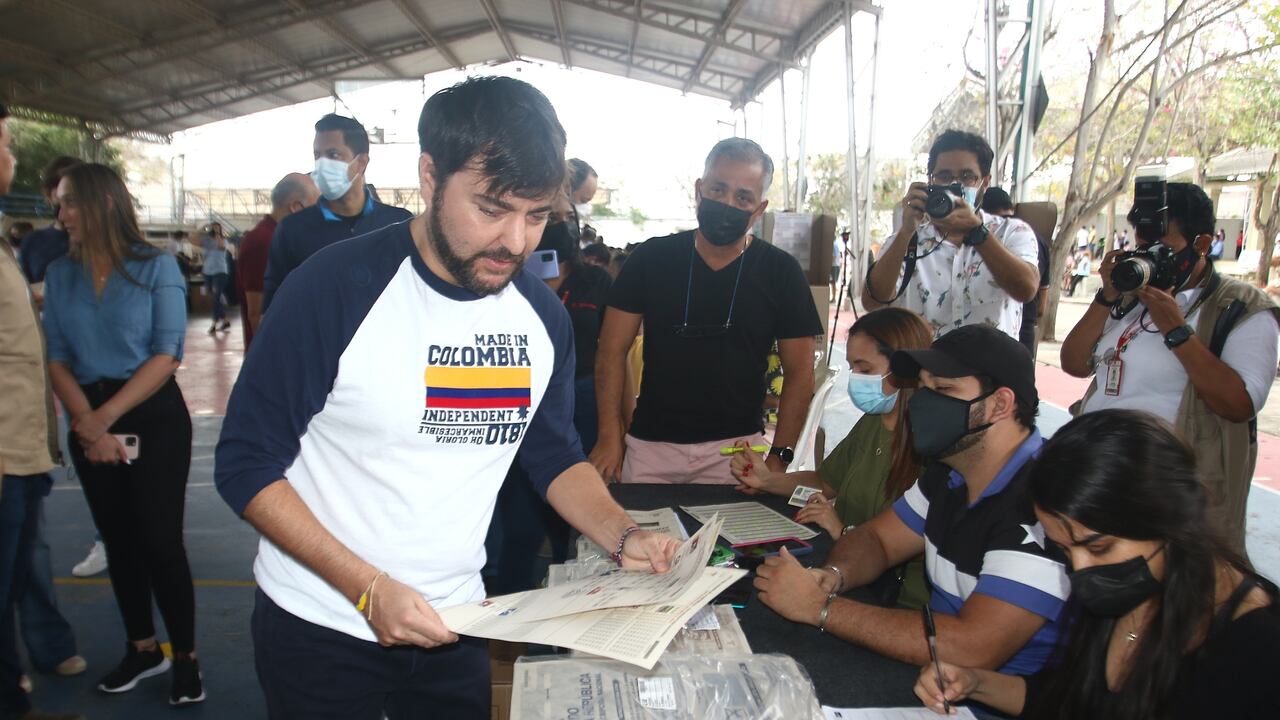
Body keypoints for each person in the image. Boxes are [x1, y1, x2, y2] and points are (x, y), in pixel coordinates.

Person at [214, 76, 679, 719]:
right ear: (430, 177)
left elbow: (553, 457)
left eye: (536, 216)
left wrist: (622, 534)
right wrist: (366, 588)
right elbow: (246, 465)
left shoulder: (541, 318)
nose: (516, 242)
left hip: (456, 621)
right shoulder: (333, 290)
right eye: (491, 209)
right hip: (322, 622)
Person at [914, 410, 1280, 719]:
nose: (1080, 569)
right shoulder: (1127, 590)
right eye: (1063, 550)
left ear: (1169, 519)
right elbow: (1070, 701)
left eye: (1100, 547)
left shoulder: (1257, 649)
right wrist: (976, 683)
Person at [753, 324, 1068, 675]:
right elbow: (879, 540)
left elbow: (972, 647)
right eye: (923, 387)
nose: (922, 401)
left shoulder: (1046, 503)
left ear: (1000, 404)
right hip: (936, 682)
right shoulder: (949, 473)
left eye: (943, 389)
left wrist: (820, 607)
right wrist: (833, 575)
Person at [42, 163, 203, 705]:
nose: (61, 214)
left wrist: (101, 418)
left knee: (160, 542)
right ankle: (142, 649)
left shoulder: (156, 267)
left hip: (151, 417)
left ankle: (186, 657)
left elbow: (167, 353)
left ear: (104, 203)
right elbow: (56, 356)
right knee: (120, 541)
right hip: (88, 416)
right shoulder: (60, 275)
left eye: (70, 202)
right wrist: (87, 422)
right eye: (59, 203)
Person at [1060, 182, 1279, 554]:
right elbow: (1074, 362)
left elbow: (1239, 404)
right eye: (1143, 246)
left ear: (1202, 244)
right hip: (1100, 473)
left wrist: (1176, 330)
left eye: (1164, 247)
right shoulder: (1131, 297)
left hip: (1170, 493)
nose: (1152, 257)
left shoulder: (1241, 307)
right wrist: (1107, 294)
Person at [592, 138, 823, 484]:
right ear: (700, 190)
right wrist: (610, 435)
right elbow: (611, 350)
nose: (727, 203)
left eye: (742, 197)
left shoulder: (781, 272)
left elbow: (800, 374)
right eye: (718, 189)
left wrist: (779, 458)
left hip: (738, 454)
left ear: (759, 209)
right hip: (651, 448)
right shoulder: (651, 258)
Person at [730, 308, 934, 609]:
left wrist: (843, 531)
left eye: (865, 369)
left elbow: (914, 544)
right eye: (852, 368)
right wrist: (768, 480)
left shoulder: (931, 443)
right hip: (844, 570)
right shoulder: (872, 422)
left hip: (896, 600)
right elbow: (825, 481)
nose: (856, 380)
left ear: (903, 367)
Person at [0, 102, 88, 720]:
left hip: (23, 451)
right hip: (6, 454)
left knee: (17, 576)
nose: (9, 155)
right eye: (5, 142)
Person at [487, 189, 615, 593]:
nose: (556, 225)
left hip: (583, 400)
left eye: (556, 216)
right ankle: (508, 600)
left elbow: (612, 353)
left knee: (572, 522)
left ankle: (568, 595)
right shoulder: (501, 280)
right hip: (518, 403)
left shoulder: (593, 281)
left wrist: (614, 432)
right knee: (520, 521)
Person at [863, 130, 1040, 340]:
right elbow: (873, 302)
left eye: (967, 176)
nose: (955, 185)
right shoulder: (907, 240)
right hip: (922, 361)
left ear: (985, 182)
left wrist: (977, 233)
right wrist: (906, 231)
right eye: (944, 176)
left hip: (990, 362)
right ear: (930, 181)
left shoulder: (1012, 232)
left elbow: (1027, 290)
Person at [261, 113, 412, 312]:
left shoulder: (399, 224)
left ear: (361, 163)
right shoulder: (292, 230)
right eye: (317, 156)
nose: (322, 165)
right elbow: (273, 306)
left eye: (333, 155)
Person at [236, 172, 319, 348]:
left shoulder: (282, 239)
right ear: (296, 207)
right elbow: (257, 314)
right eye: (316, 208)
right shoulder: (264, 241)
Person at [982, 188, 1049, 359]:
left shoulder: (982, 235)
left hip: (996, 339)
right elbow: (1042, 304)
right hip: (1025, 329)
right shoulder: (1039, 239)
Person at [18, 157, 80, 302]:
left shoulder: (105, 242)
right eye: (61, 186)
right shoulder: (32, 242)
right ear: (48, 194)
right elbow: (22, 291)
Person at [201, 221, 231, 334]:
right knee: (213, 296)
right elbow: (191, 239)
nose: (215, 229)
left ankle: (214, 323)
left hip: (220, 271)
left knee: (217, 296)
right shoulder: (206, 241)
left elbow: (222, 247)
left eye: (217, 228)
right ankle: (225, 320)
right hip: (207, 271)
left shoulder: (223, 240)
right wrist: (201, 229)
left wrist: (218, 235)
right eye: (213, 228)